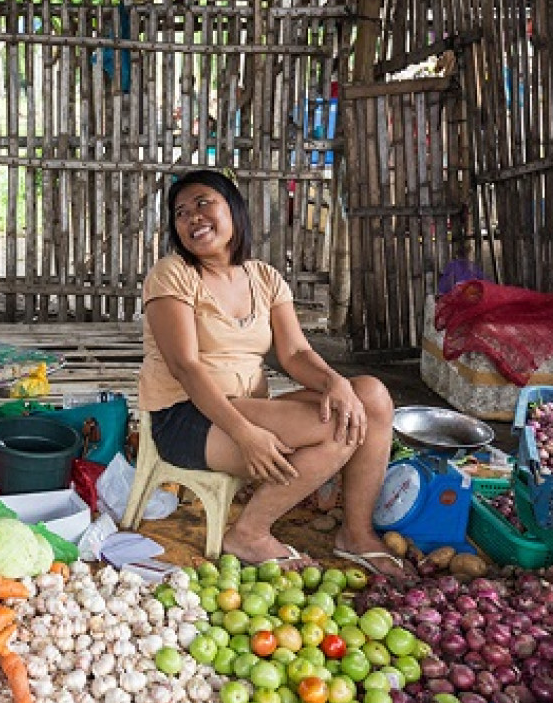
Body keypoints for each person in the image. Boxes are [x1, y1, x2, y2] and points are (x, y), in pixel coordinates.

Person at [139, 169, 405, 576]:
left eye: (203, 203)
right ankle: (249, 533)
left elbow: (296, 351)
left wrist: (334, 382)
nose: (192, 216)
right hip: (187, 417)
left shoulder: (264, 277)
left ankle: (356, 532)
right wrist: (245, 435)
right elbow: (186, 367)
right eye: (180, 212)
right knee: (339, 430)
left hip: (247, 408)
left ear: (234, 209)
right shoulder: (173, 274)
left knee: (370, 395)